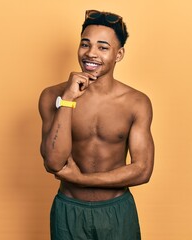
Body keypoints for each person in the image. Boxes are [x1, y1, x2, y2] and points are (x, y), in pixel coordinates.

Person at [39, 9, 155, 240]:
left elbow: (142, 170)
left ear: (119, 54)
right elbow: (53, 162)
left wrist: (81, 179)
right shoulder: (53, 95)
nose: (91, 54)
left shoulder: (136, 102)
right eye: (85, 44)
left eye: (103, 47)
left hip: (117, 211)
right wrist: (68, 100)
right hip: (69, 210)